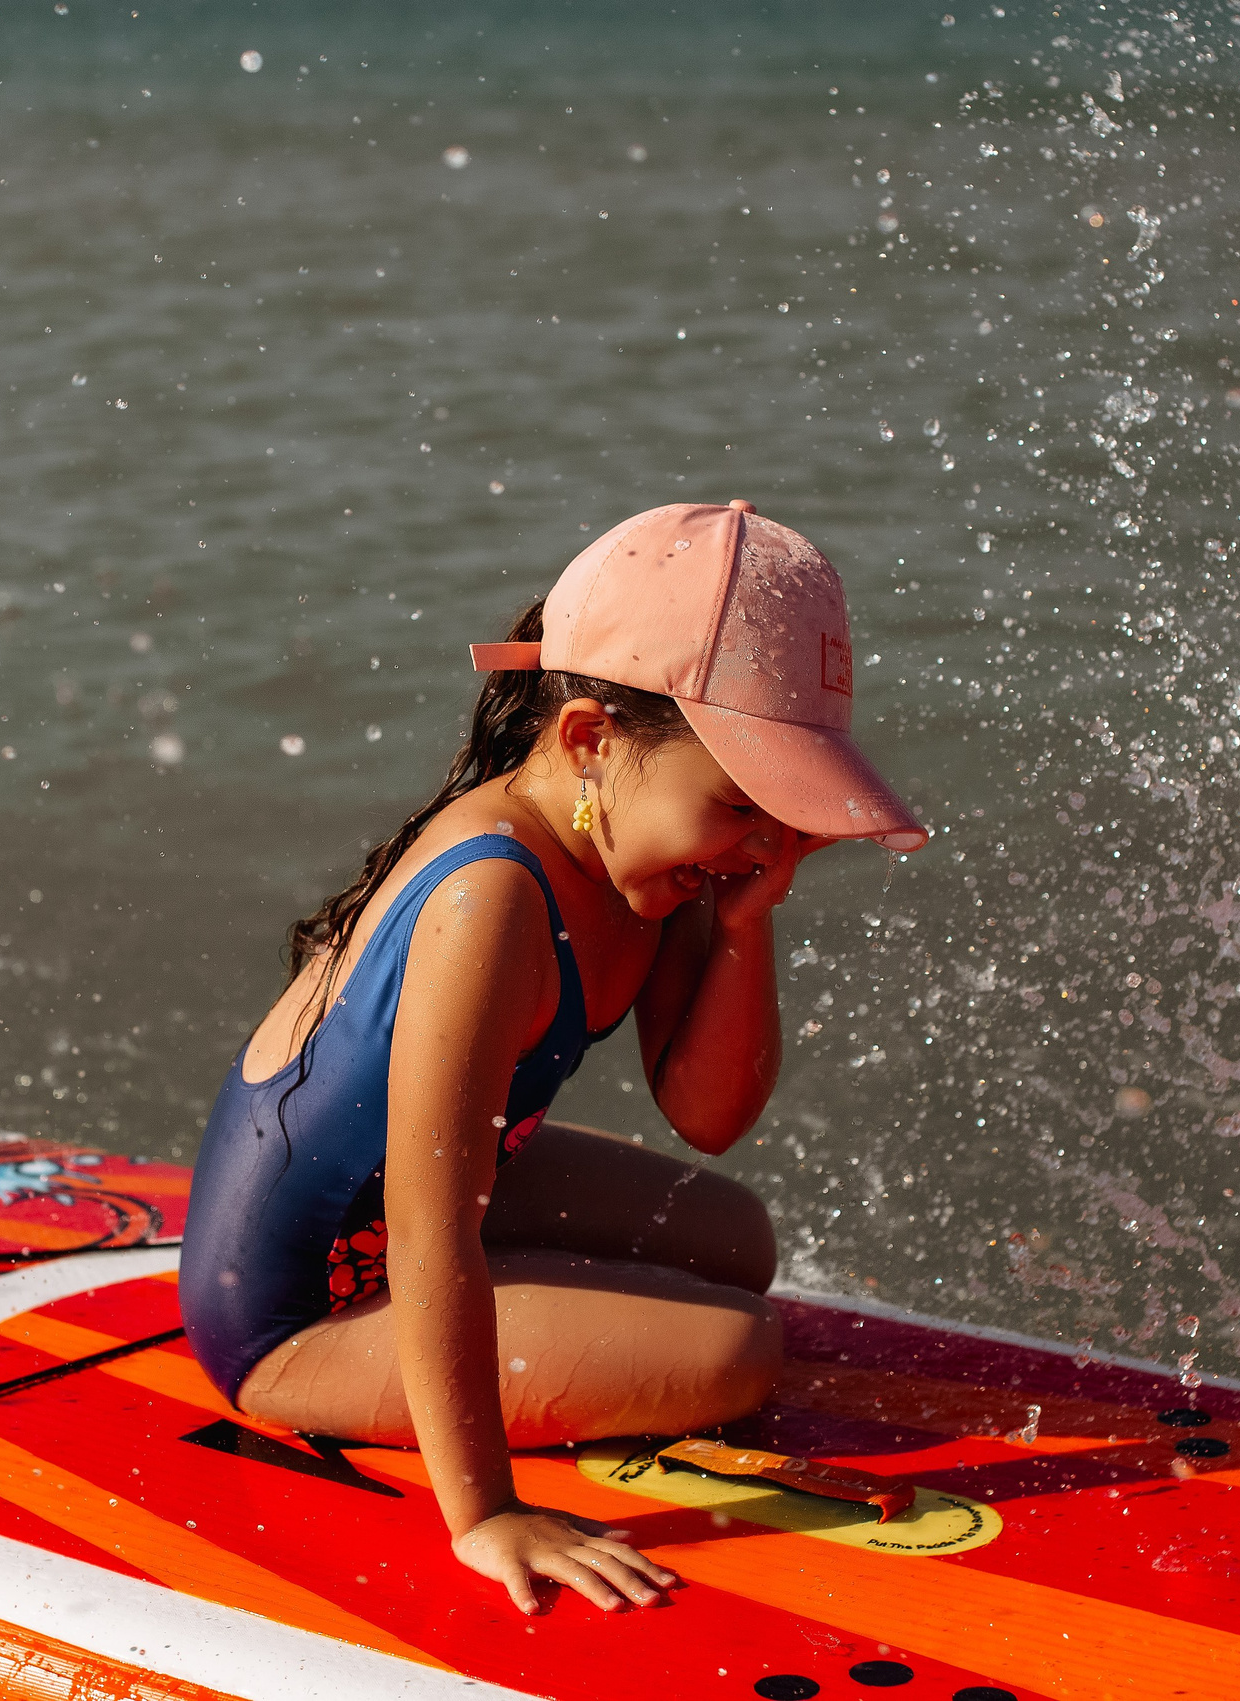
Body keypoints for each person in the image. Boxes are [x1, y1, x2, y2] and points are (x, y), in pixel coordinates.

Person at [179, 499, 928, 1616]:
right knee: (735, 1351)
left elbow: (707, 1113)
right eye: (740, 806)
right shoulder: (491, 895)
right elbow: (432, 1228)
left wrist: (744, 915)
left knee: (737, 1238)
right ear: (589, 739)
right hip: (296, 1313)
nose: (763, 844)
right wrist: (481, 1512)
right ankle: (426, 1431)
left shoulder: (645, 845)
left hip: (441, 1209)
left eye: (782, 812)